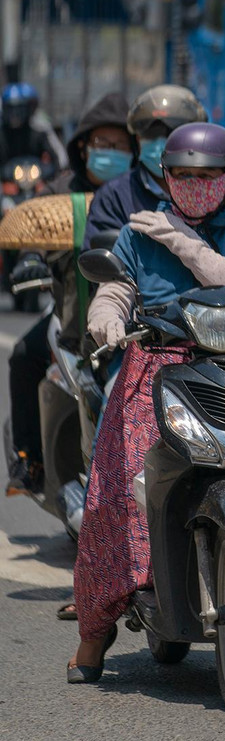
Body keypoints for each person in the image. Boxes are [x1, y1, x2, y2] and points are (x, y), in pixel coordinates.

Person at [66, 122, 225, 681]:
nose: (196, 185)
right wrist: (105, 316)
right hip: (156, 368)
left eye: (209, 176)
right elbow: (116, 287)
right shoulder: (136, 233)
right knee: (115, 492)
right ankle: (94, 636)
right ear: (165, 176)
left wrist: (180, 239)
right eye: (183, 175)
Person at [5, 93, 134, 500]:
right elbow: (33, 230)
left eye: (120, 147)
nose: (109, 154)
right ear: (83, 147)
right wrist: (29, 260)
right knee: (23, 356)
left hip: (133, 326)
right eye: (101, 145)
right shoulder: (58, 193)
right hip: (69, 316)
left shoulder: (141, 196)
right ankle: (29, 460)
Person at [83, 86, 225, 251]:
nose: (161, 140)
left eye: (173, 131)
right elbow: (103, 261)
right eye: (151, 133)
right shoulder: (114, 196)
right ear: (138, 140)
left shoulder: (224, 195)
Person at [0, 82, 65, 170]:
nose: (15, 114)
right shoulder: (2, 133)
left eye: (19, 109)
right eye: (11, 109)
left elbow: (59, 157)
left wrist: (55, 170)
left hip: (34, 178)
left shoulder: (38, 130)